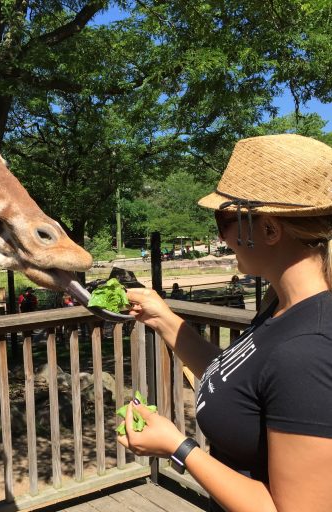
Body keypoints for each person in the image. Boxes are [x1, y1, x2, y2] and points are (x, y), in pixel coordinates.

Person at [119, 134, 332, 512]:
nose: (221, 236)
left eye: (224, 219)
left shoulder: (307, 348)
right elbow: (238, 380)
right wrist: (162, 318)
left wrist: (178, 447)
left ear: (268, 229)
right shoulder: (280, 305)